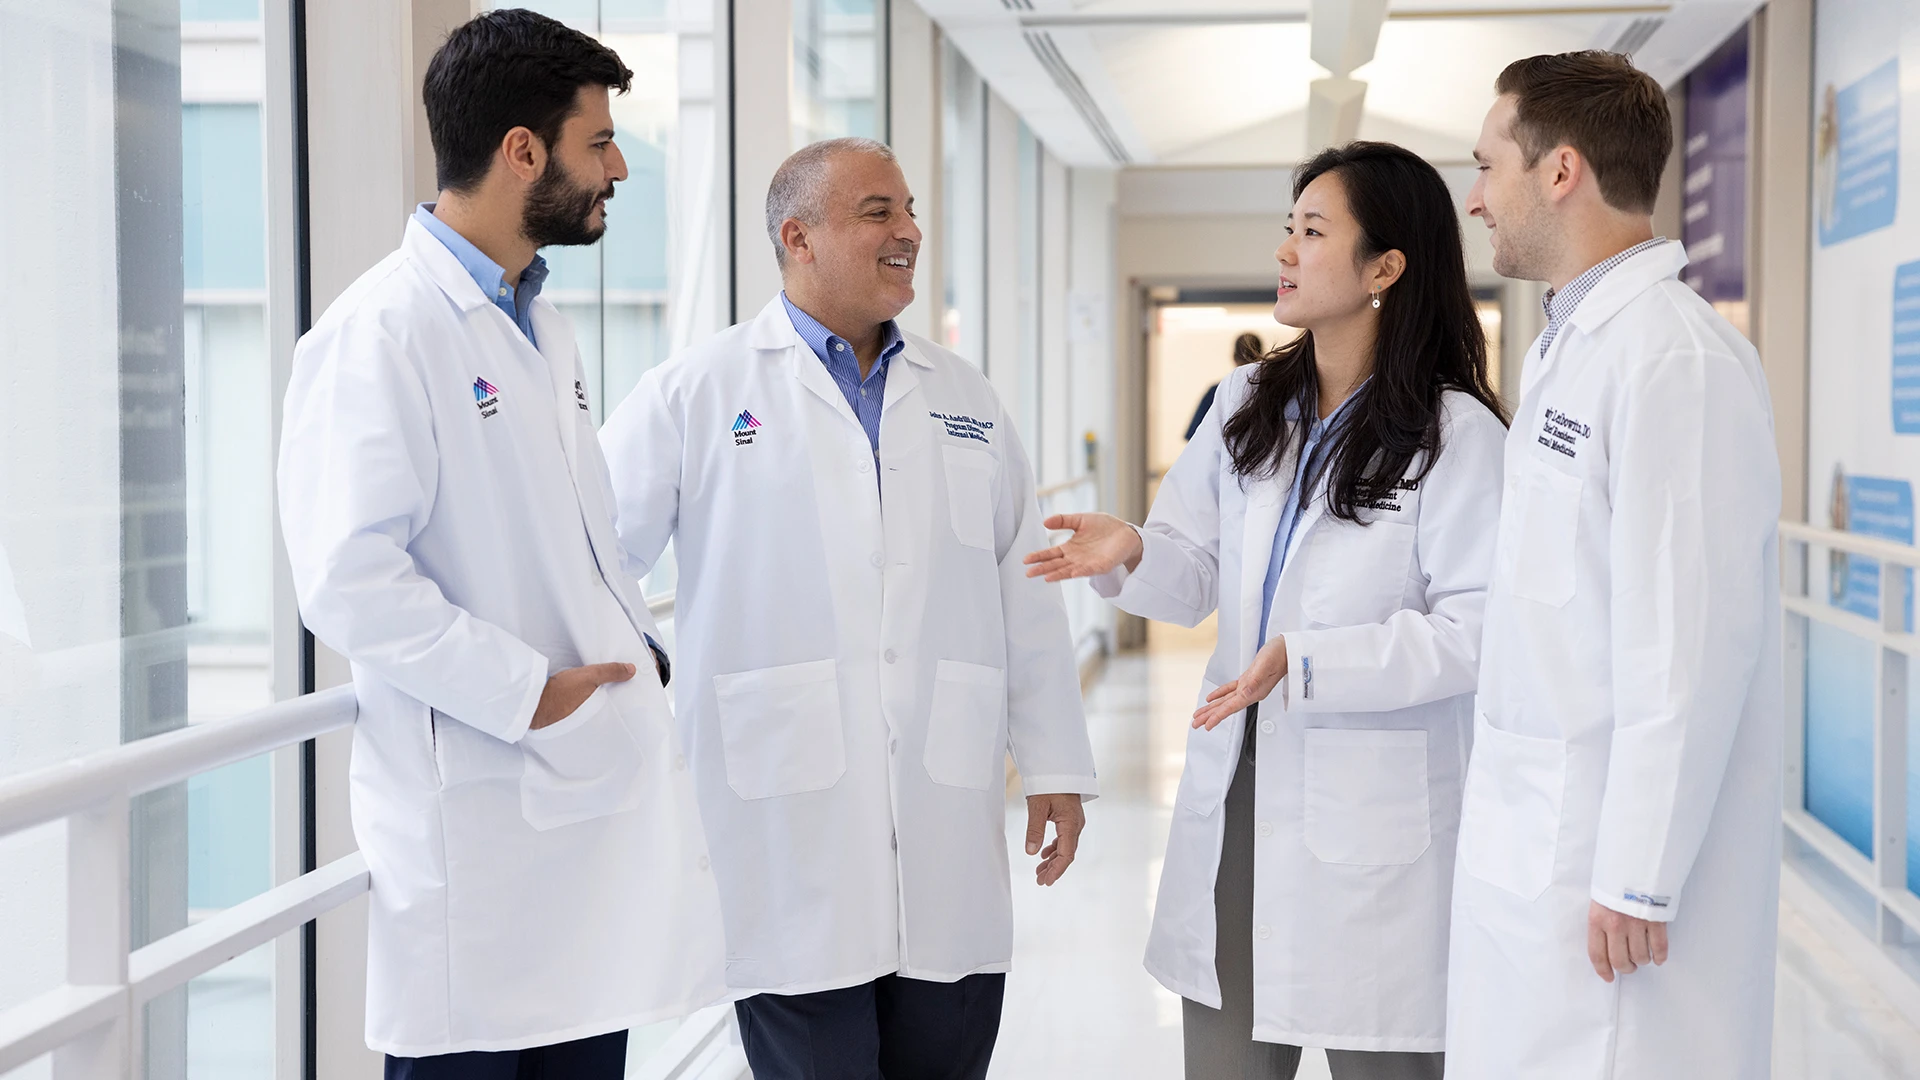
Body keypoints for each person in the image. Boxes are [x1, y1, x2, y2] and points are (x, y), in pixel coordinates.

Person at [277, 11, 723, 1077]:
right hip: (479, 834)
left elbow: (572, 535)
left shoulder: (539, 323)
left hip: (575, 831)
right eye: (597, 142)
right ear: (522, 150)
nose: (617, 167)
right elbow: (346, 577)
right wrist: (525, 689)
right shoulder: (379, 332)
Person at [597, 137, 1098, 1080]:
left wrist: (1057, 766)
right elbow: (595, 562)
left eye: (910, 211)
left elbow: (1023, 588)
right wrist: (655, 695)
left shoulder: (967, 399)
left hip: (945, 818)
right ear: (798, 236)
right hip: (785, 824)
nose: (909, 231)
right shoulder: (697, 392)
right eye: (879, 213)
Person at [1025, 142, 1508, 1080]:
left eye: (1313, 231)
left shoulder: (1458, 435)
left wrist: (1308, 659)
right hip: (1237, 791)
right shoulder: (1251, 401)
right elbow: (1194, 571)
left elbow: (1480, 631)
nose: (1285, 250)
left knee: (1387, 1061)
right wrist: (1133, 549)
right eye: (1288, 228)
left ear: (1386, 268)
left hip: (1375, 814)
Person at [1444, 51, 1782, 1079]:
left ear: (1561, 172)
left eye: (1488, 165)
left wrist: (1638, 874)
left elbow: (1689, 639)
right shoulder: (1571, 349)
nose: (1474, 198)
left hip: (1607, 882)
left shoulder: (1670, 359)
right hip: (1537, 841)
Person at [1184, 332, 1265, 440]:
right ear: (1262, 357)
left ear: (1234, 357)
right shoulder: (1271, 392)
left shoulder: (1216, 391)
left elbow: (1194, 436)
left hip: (1221, 456)